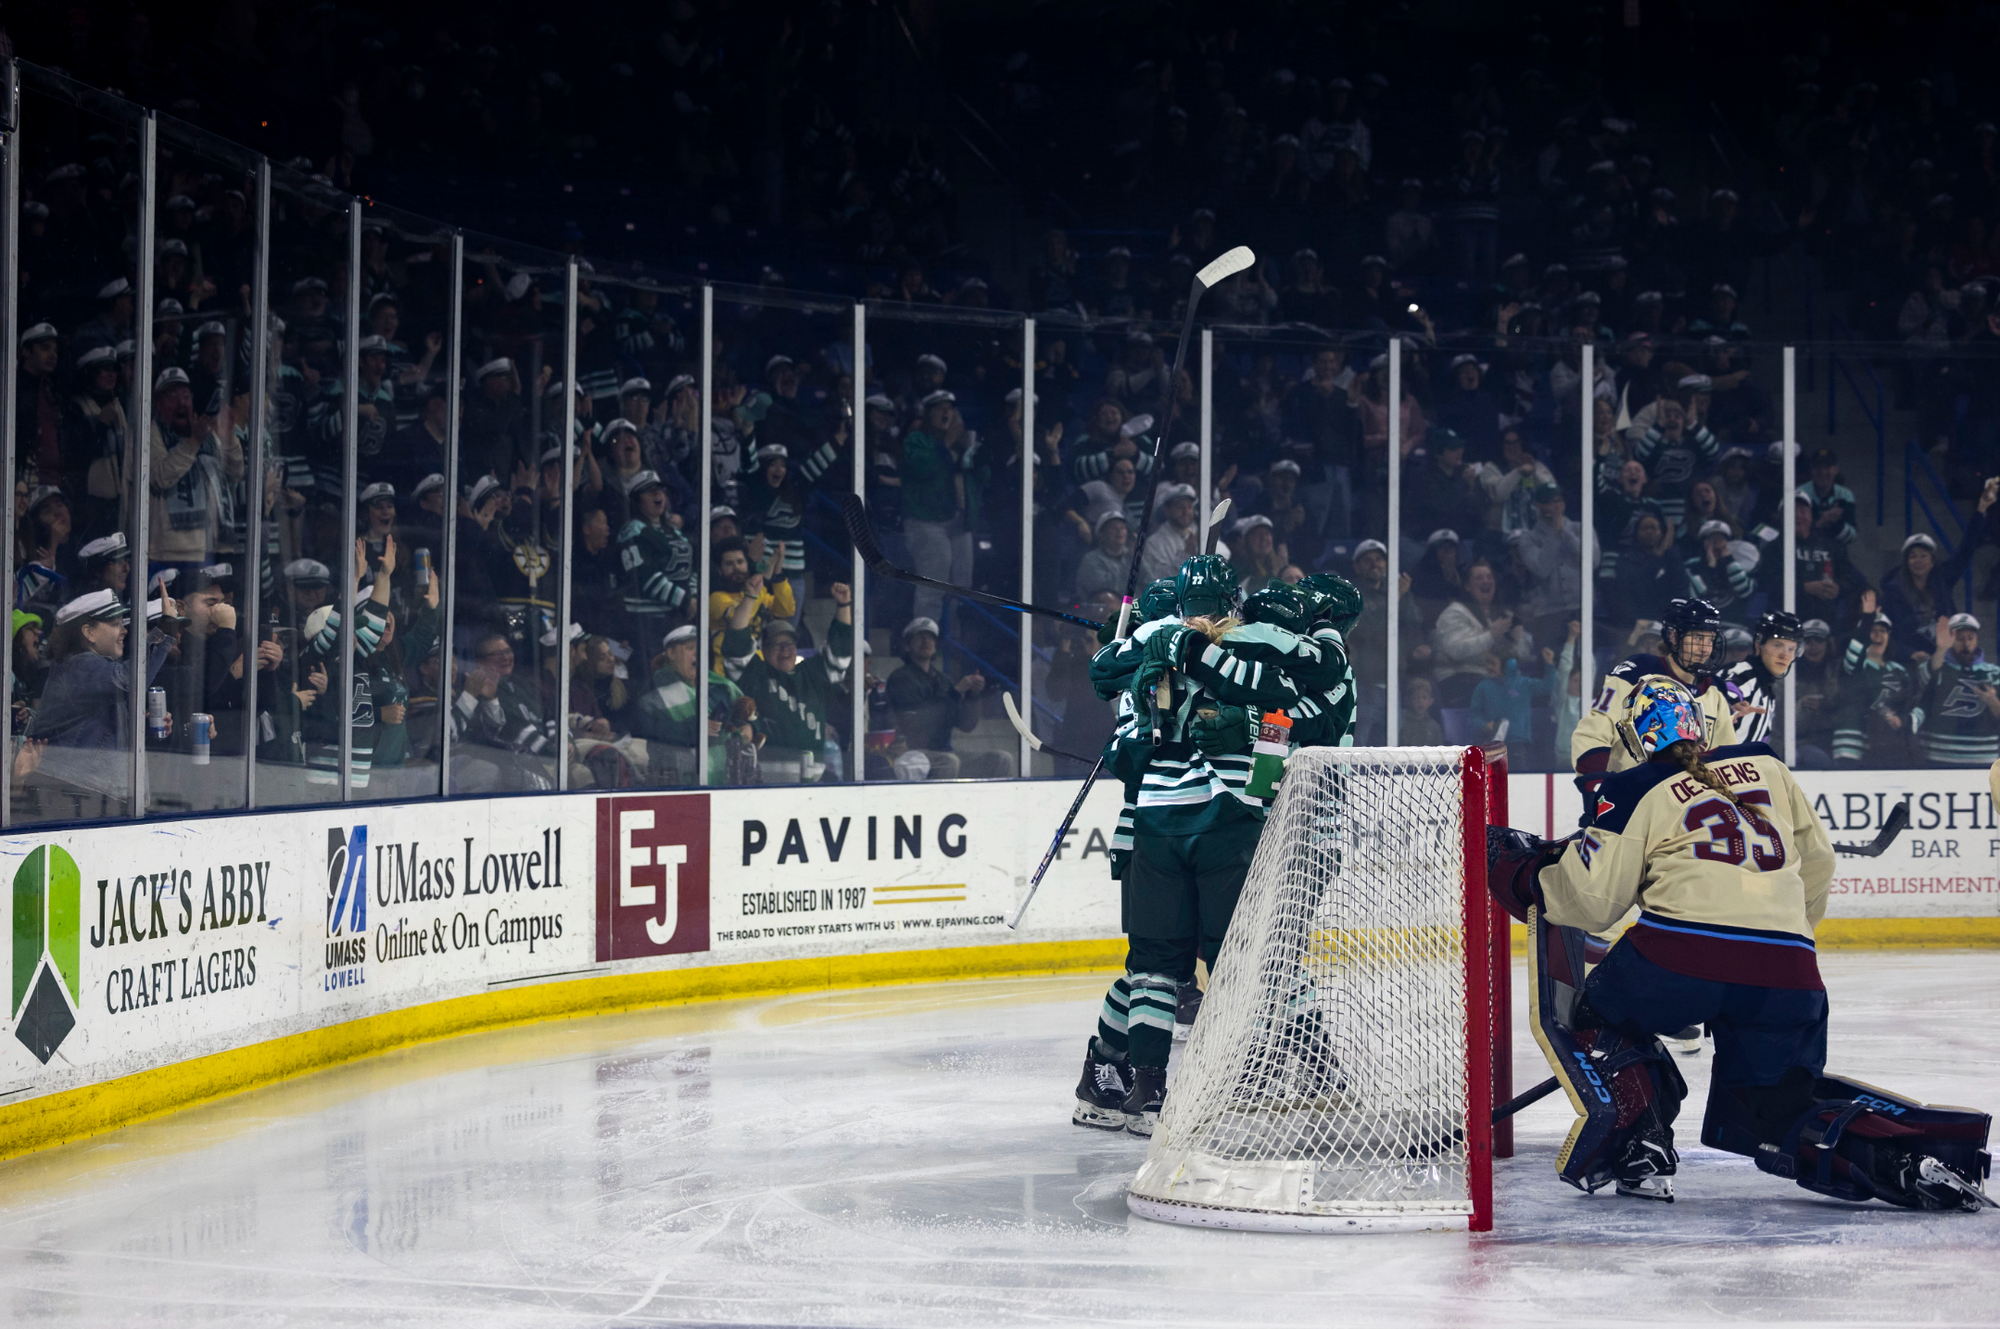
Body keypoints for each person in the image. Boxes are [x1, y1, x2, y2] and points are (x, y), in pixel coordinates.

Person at [1490, 679, 1991, 1211]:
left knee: (1596, 1012)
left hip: (1678, 960)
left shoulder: (1632, 787)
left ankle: (1642, 1142)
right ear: (1701, 727)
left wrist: (1523, 875)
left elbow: (1589, 904)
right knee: (1770, 1114)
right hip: (1790, 974)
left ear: (1635, 738)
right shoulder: (1766, 764)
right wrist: (1786, 936)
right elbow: (1818, 862)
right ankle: (1905, 1161)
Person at [1072, 555, 1304, 1138]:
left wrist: (1140, 650)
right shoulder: (1251, 642)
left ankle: (1149, 1091)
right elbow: (1283, 708)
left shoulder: (1153, 642)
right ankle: (1237, 1077)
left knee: (1154, 966)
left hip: (1155, 819)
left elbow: (1107, 685)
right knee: (1229, 957)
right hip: (1222, 816)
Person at [18, 589, 174, 820]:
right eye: (115, 624)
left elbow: (101, 733)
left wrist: (142, 726)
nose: (124, 631)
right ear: (88, 632)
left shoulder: (89, 667)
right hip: (72, 791)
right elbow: (128, 679)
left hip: (78, 790)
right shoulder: (80, 666)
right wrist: (164, 633)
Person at [1572, 597, 1738, 805]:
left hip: (1690, 807)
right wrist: (1593, 784)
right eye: (1697, 638)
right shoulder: (1637, 673)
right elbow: (1596, 729)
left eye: (1709, 639)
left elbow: (1726, 757)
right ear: (1674, 638)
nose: (1704, 648)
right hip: (1631, 799)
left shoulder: (1715, 690)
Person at [732, 583, 854, 784]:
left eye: (789, 643)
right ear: (764, 649)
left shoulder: (813, 673)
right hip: (763, 780)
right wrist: (750, 597)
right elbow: (737, 642)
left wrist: (844, 605)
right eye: (776, 644)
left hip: (812, 780)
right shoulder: (756, 673)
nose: (785, 649)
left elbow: (840, 650)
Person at [884, 618, 1014, 780]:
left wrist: (972, 696)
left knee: (1001, 759)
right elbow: (918, 723)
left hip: (943, 752)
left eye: (930, 637)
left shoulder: (943, 679)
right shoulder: (900, 678)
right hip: (913, 753)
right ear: (907, 645)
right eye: (919, 637)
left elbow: (966, 725)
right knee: (948, 762)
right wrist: (956, 692)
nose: (926, 641)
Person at [614, 470, 697, 661]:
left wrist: (693, 597)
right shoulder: (632, 530)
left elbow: (692, 570)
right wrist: (686, 602)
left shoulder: (676, 533)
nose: (657, 494)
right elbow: (645, 576)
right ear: (637, 500)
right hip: (643, 624)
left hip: (676, 620)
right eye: (648, 491)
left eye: (659, 489)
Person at [1915, 612, 2000, 768]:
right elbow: (1923, 682)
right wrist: (1941, 649)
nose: (1966, 644)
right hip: (1939, 758)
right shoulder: (1937, 668)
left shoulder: (1994, 673)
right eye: (1960, 639)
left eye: (1970, 638)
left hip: (1984, 760)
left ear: (1977, 639)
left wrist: (1993, 701)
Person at [1721, 611, 1802, 750]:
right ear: (1759, 645)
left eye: (1791, 648)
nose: (1784, 655)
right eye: (1778, 645)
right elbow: (1730, 690)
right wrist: (1729, 707)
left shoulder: (1766, 688)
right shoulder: (1744, 674)